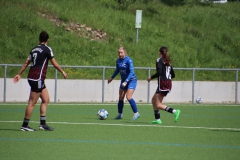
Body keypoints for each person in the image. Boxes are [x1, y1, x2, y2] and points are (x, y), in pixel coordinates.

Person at [13, 31, 68, 131]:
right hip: (37, 78)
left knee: (46, 99)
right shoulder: (47, 49)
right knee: (32, 102)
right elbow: (54, 64)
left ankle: (43, 124)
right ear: (48, 40)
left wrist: (19, 73)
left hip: (33, 77)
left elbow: (26, 63)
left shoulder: (34, 49)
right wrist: (62, 72)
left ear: (39, 39)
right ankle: (24, 126)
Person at [147, 46, 181, 124]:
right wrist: (167, 78)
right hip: (168, 83)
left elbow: (159, 73)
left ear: (159, 53)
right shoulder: (168, 61)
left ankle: (175, 111)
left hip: (163, 84)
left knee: (158, 104)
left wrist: (150, 77)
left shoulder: (159, 60)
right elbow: (173, 75)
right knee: (153, 100)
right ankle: (157, 119)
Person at [108, 46, 140, 120]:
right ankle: (120, 114)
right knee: (121, 97)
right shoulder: (118, 61)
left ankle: (136, 113)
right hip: (123, 81)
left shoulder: (129, 60)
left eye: (121, 52)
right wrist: (112, 78)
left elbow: (132, 72)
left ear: (124, 53)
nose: (120, 54)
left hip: (131, 80)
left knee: (128, 97)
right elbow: (117, 70)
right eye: (119, 52)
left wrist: (126, 81)